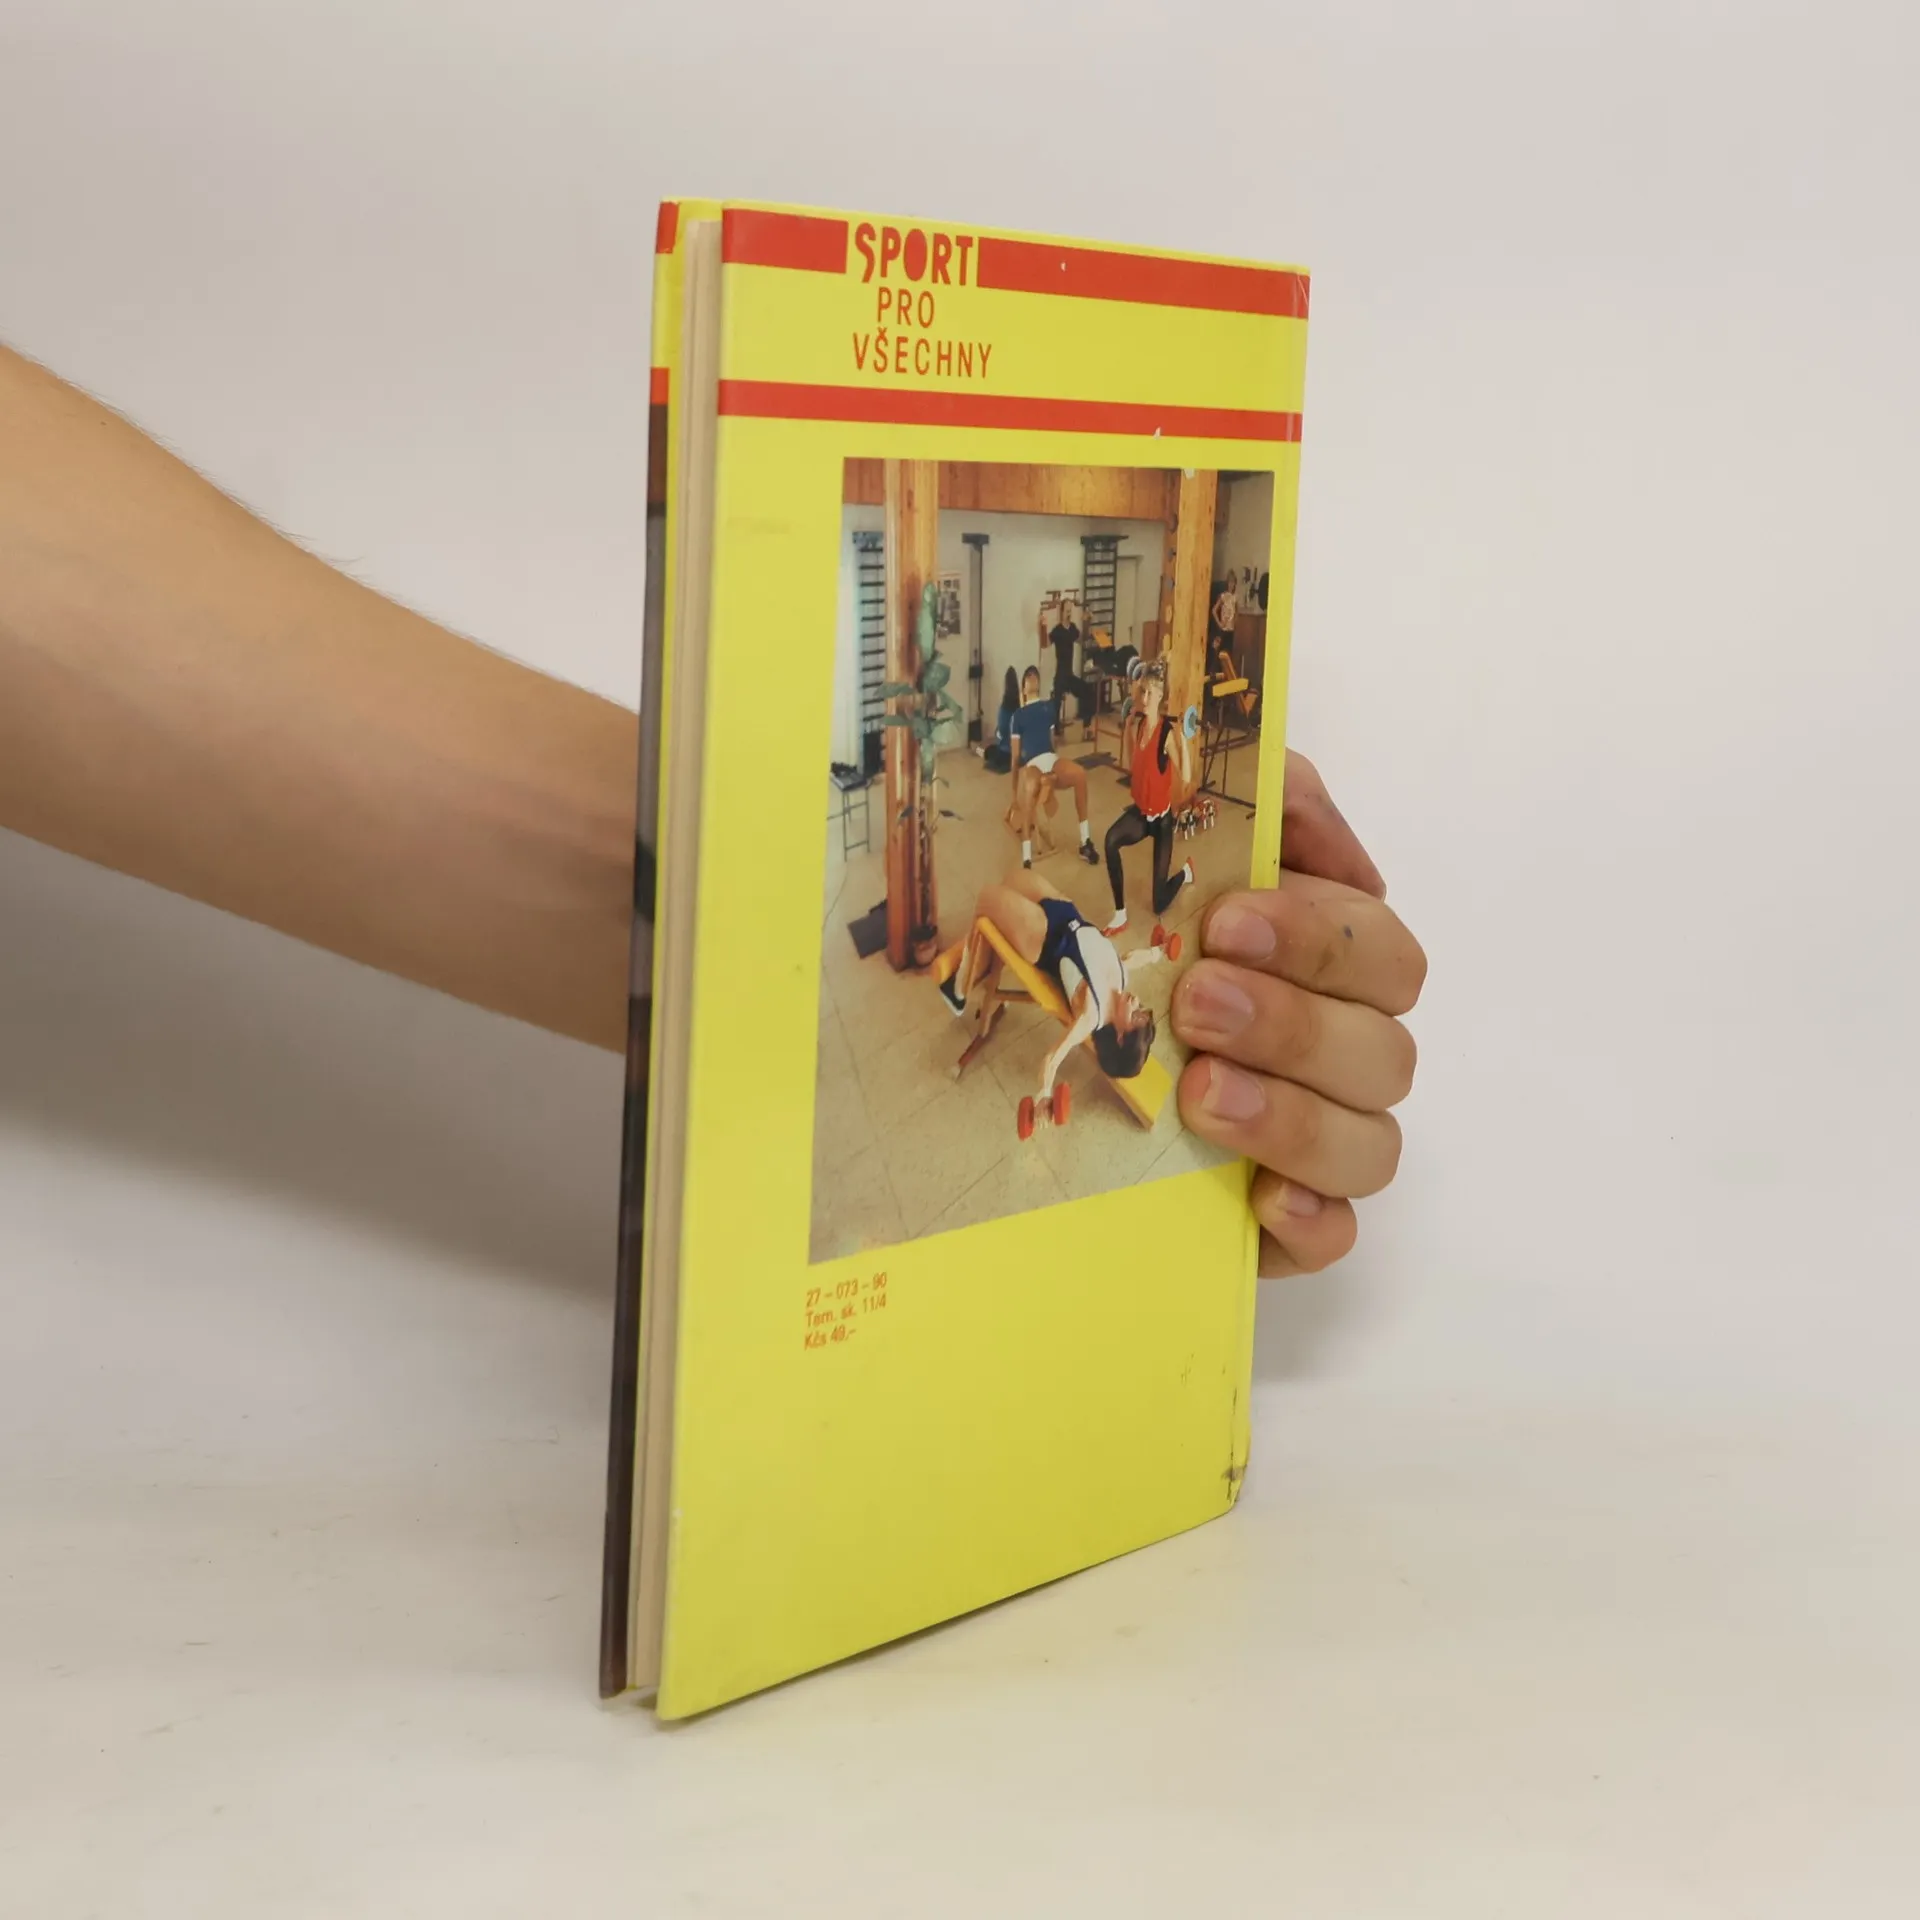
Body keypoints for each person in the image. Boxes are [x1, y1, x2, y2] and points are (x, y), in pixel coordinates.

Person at [0, 343, 1424, 1278]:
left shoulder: (1102, 984)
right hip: (1037, 909)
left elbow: (1090, 993)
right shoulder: (1079, 943)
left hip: (1042, 920)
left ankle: (966, 967)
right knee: (1017, 890)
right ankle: (968, 965)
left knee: (1023, 903)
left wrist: (1148, 949)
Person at [937, 867, 1161, 1101]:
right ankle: (982, 961)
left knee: (987, 897)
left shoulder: (1091, 1015)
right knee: (1013, 878)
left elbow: (1053, 1058)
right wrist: (1157, 953)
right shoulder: (1121, 981)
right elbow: (1130, 959)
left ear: (1120, 1037)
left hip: (1040, 935)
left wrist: (1044, 1093)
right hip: (1068, 914)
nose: (1136, 1001)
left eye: (1135, 1015)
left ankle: (959, 989)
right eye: (1141, 1008)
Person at [1103, 663, 1194, 933]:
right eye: (1143, 692)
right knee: (1110, 840)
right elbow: (1134, 762)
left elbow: (1186, 776)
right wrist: (1128, 727)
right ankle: (1120, 915)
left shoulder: (1166, 735)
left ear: (1160, 696)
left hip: (1162, 821)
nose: (1144, 698)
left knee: (1158, 904)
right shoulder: (1142, 724)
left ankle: (1186, 873)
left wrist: (1184, 740)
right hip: (1143, 815)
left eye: (1150, 693)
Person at [1006, 666, 1098, 868]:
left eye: (1034, 675)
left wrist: (1054, 772)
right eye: (1027, 675)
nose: (1032, 676)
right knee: (1031, 785)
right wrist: (1014, 795)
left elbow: (1052, 743)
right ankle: (1027, 856)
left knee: (1080, 774)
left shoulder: (1048, 708)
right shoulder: (1018, 716)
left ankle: (1085, 842)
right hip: (1032, 764)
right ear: (1023, 688)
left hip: (1050, 760)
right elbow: (1015, 757)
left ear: (1039, 684)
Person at [1041, 597, 1091, 732]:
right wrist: (1043, 626)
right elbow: (1045, 644)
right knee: (1056, 701)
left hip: (1069, 675)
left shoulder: (1072, 628)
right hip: (1060, 674)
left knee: (1086, 690)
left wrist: (1086, 621)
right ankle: (1056, 728)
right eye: (1067, 611)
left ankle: (1086, 724)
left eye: (1070, 611)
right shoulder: (1057, 630)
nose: (1069, 613)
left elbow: (1083, 640)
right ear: (1062, 612)